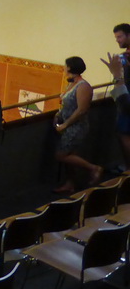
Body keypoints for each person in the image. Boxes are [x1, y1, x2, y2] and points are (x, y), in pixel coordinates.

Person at [52, 56, 103, 194]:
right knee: (70, 156)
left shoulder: (83, 86)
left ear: (69, 67)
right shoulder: (71, 84)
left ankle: (93, 168)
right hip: (67, 124)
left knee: (61, 155)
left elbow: (81, 110)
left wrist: (65, 125)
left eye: (65, 65)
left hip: (76, 127)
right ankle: (71, 183)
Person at [112, 24, 130, 168]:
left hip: (127, 99)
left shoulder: (126, 57)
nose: (117, 40)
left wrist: (117, 73)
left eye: (120, 36)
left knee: (124, 134)